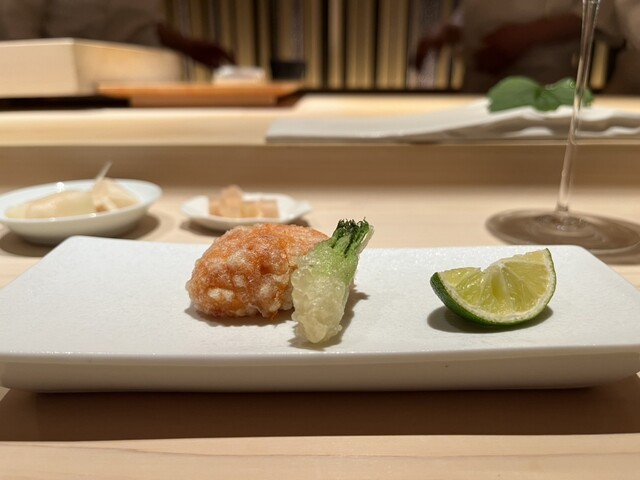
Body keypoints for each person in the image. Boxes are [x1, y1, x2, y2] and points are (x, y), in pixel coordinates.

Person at [0, 0, 234, 68]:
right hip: (56, 96)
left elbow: (138, 22)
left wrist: (187, 46)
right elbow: (16, 19)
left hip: (131, 85)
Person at [413, 0, 585, 93]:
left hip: (541, 81)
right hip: (478, 78)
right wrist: (448, 30)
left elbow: (592, 15)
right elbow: (482, 9)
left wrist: (524, 36)